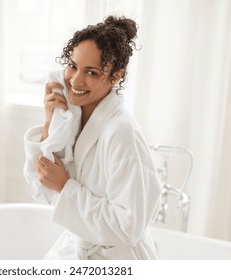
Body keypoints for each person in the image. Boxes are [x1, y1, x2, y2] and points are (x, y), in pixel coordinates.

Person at [23, 15, 161, 259]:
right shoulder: (73, 116)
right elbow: (41, 186)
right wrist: (50, 119)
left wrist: (65, 187)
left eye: (92, 72)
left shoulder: (121, 133)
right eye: (73, 66)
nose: (75, 80)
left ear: (116, 77)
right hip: (79, 248)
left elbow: (126, 227)